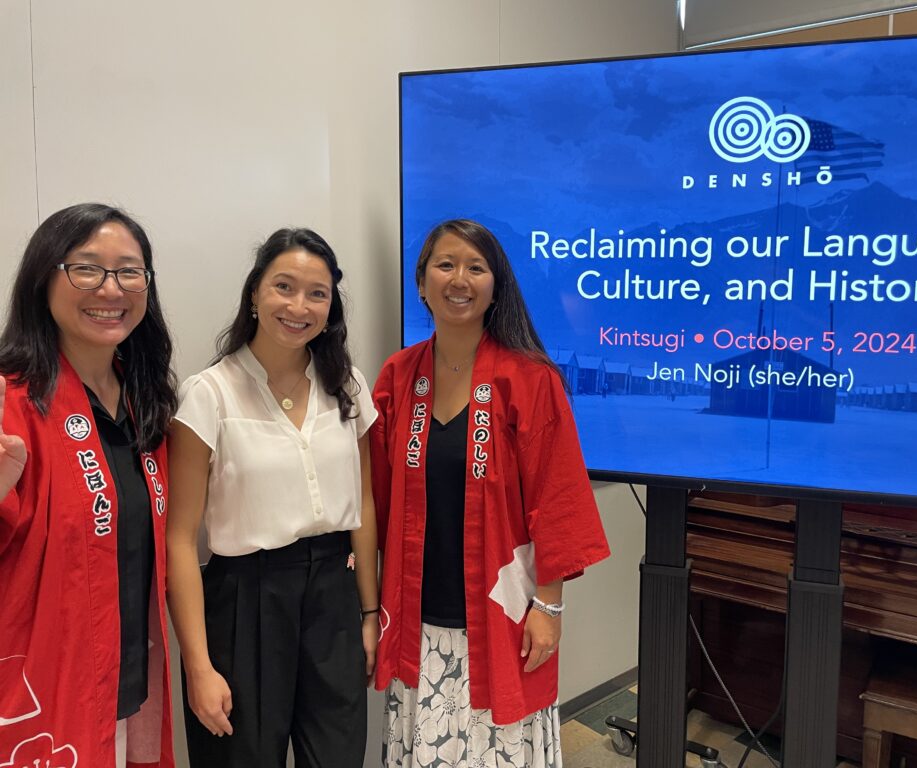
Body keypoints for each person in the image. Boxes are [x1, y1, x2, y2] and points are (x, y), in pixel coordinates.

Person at [372, 219, 610, 767]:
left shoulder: (528, 379)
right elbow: (377, 500)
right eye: (446, 264)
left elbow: (557, 499)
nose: (460, 278)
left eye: (476, 267)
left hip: (501, 615)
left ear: (496, 286)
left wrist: (549, 606)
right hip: (418, 612)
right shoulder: (398, 376)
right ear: (422, 280)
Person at [166, 228, 378, 768]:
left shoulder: (347, 386)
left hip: (334, 594)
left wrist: (371, 610)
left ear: (331, 309)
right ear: (255, 293)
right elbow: (180, 540)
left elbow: (365, 505)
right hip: (246, 600)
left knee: (338, 756)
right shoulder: (209, 393)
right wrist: (197, 665)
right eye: (283, 286)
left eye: (317, 293)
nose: (298, 306)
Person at [0, 203, 177, 767]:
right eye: (86, 269)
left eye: (129, 271)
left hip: (124, 684)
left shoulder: (144, 405)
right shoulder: (11, 403)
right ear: (43, 278)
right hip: (40, 695)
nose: (111, 288)